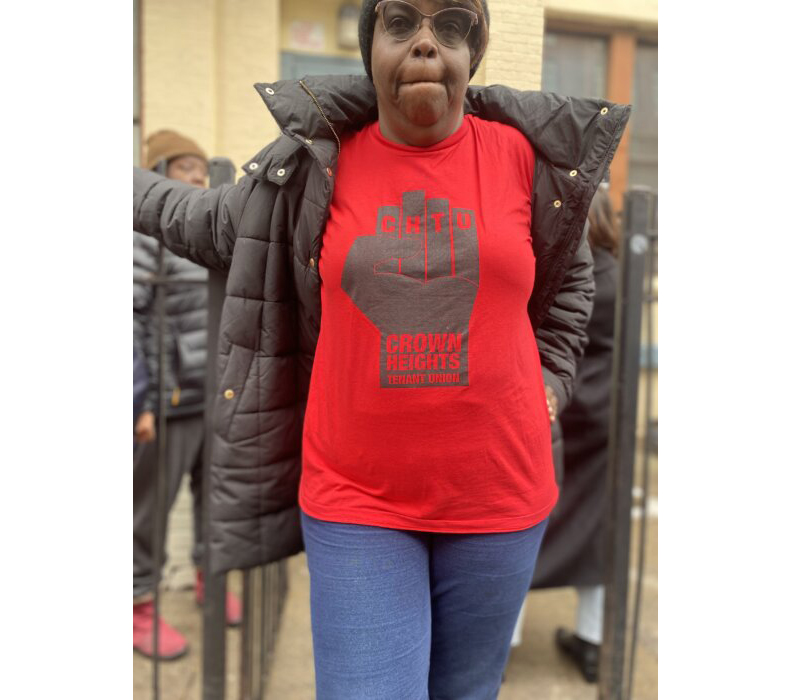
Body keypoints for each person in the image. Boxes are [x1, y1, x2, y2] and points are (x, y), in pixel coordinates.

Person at [133, 1, 630, 694]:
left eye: (451, 26)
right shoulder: (313, 168)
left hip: (501, 498)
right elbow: (195, 217)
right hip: (356, 499)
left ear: (472, 54)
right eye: (402, 23)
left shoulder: (527, 161)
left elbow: (573, 280)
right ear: (370, 50)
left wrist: (552, 377)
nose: (427, 45)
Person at [133, 130, 241, 661]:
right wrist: (141, 401)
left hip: (214, 393)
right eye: (186, 169)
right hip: (167, 398)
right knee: (148, 508)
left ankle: (210, 581)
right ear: (157, 173)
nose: (199, 179)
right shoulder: (142, 232)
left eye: (203, 169)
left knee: (215, 498)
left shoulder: (210, 230)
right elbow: (130, 316)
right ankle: (137, 606)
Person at [528, 184, 620, 683]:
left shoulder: (557, 272)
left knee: (526, 521)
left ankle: (507, 641)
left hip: (552, 409)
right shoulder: (620, 274)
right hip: (604, 414)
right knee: (598, 532)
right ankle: (592, 642)